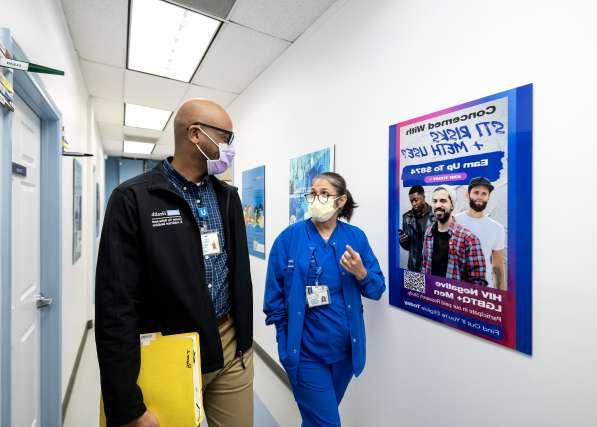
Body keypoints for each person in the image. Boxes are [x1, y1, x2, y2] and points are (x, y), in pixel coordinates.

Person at [95, 99, 253, 427]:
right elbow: (115, 306)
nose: (229, 147)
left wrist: (244, 341)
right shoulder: (133, 199)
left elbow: (237, 273)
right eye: (226, 137)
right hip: (168, 348)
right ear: (195, 134)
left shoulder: (228, 197)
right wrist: (125, 405)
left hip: (230, 345)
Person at [264, 172, 385, 427]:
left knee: (317, 420)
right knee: (327, 423)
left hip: (344, 354)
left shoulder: (355, 238)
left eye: (324, 194)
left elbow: (376, 289)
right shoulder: (289, 238)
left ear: (340, 202)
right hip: (305, 353)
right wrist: (284, 342)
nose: (315, 199)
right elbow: (272, 299)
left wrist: (361, 273)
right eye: (312, 193)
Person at [421, 186, 487, 286]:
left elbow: (478, 283)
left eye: (443, 201)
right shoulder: (428, 232)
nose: (438, 205)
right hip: (431, 296)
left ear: (452, 205)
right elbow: (425, 266)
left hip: (453, 299)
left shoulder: (469, 239)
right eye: (435, 201)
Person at [455, 177, 507, 290]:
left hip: (483, 291)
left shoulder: (497, 228)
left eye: (484, 193)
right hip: (454, 288)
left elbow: (498, 266)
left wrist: (501, 294)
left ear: (488, 197)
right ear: (467, 195)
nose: (480, 196)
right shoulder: (454, 222)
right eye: (476, 192)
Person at [400, 185, 434, 271]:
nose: (413, 203)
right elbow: (408, 247)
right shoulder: (406, 217)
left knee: (430, 285)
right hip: (413, 266)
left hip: (431, 267)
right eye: (411, 201)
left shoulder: (436, 216)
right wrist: (403, 241)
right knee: (412, 285)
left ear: (423, 197)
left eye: (416, 200)